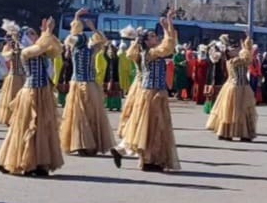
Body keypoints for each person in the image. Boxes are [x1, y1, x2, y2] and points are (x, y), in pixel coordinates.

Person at [0, 17, 64, 176]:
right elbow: (39, 48)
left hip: (44, 92)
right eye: (31, 33)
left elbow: (56, 50)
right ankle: (19, 160)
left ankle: (38, 162)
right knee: (26, 127)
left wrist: (48, 33)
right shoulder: (25, 52)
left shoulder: (42, 50)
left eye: (35, 32)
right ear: (25, 36)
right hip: (31, 92)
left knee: (43, 128)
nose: (34, 35)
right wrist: (47, 32)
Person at [112, 15, 181, 172]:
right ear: (145, 41)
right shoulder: (149, 53)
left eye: (155, 36)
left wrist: (168, 28)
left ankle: (127, 151)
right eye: (151, 37)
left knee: (153, 127)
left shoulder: (152, 52)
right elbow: (168, 47)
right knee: (151, 127)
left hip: (155, 91)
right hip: (151, 93)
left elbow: (169, 46)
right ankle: (148, 160)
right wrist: (167, 27)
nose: (155, 38)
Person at [60, 9, 115, 156]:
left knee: (91, 113)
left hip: (89, 83)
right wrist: (77, 17)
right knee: (78, 114)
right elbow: (73, 35)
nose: (83, 39)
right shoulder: (75, 48)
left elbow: (103, 41)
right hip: (78, 83)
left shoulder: (91, 49)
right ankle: (79, 143)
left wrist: (93, 28)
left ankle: (91, 143)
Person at [206, 37, 258, 142]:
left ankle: (245, 133)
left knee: (244, 111)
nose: (237, 50)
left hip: (243, 87)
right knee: (231, 111)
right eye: (233, 49)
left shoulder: (240, 59)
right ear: (229, 53)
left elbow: (248, 57)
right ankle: (226, 133)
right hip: (234, 88)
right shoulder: (232, 61)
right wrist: (246, 47)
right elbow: (246, 58)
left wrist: (246, 44)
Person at [0, 20, 25, 125]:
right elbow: (5, 57)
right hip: (13, 75)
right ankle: (10, 118)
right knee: (12, 96)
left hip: (22, 76)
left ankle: (20, 117)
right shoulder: (9, 46)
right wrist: (13, 51)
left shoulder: (23, 45)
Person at [102, 41, 123, 112]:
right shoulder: (109, 59)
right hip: (108, 78)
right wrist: (106, 47)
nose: (110, 53)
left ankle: (117, 106)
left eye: (111, 51)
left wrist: (111, 47)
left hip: (115, 78)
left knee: (116, 93)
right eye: (109, 52)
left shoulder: (117, 58)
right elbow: (104, 54)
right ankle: (110, 106)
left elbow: (114, 53)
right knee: (109, 92)